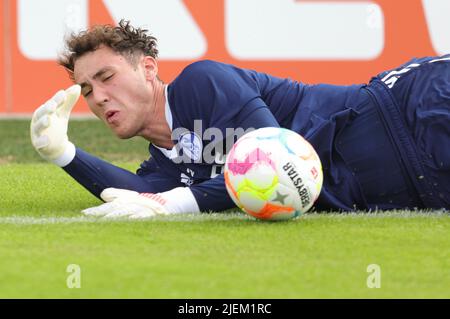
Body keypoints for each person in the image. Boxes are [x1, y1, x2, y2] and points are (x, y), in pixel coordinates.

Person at [30, 20, 449, 218]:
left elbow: (271, 158)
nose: (98, 97)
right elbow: (138, 194)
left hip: (413, 109)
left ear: (149, 70)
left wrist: (173, 204)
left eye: (106, 77)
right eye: (86, 90)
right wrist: (63, 153)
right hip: (420, 186)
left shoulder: (201, 81)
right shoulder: (167, 163)